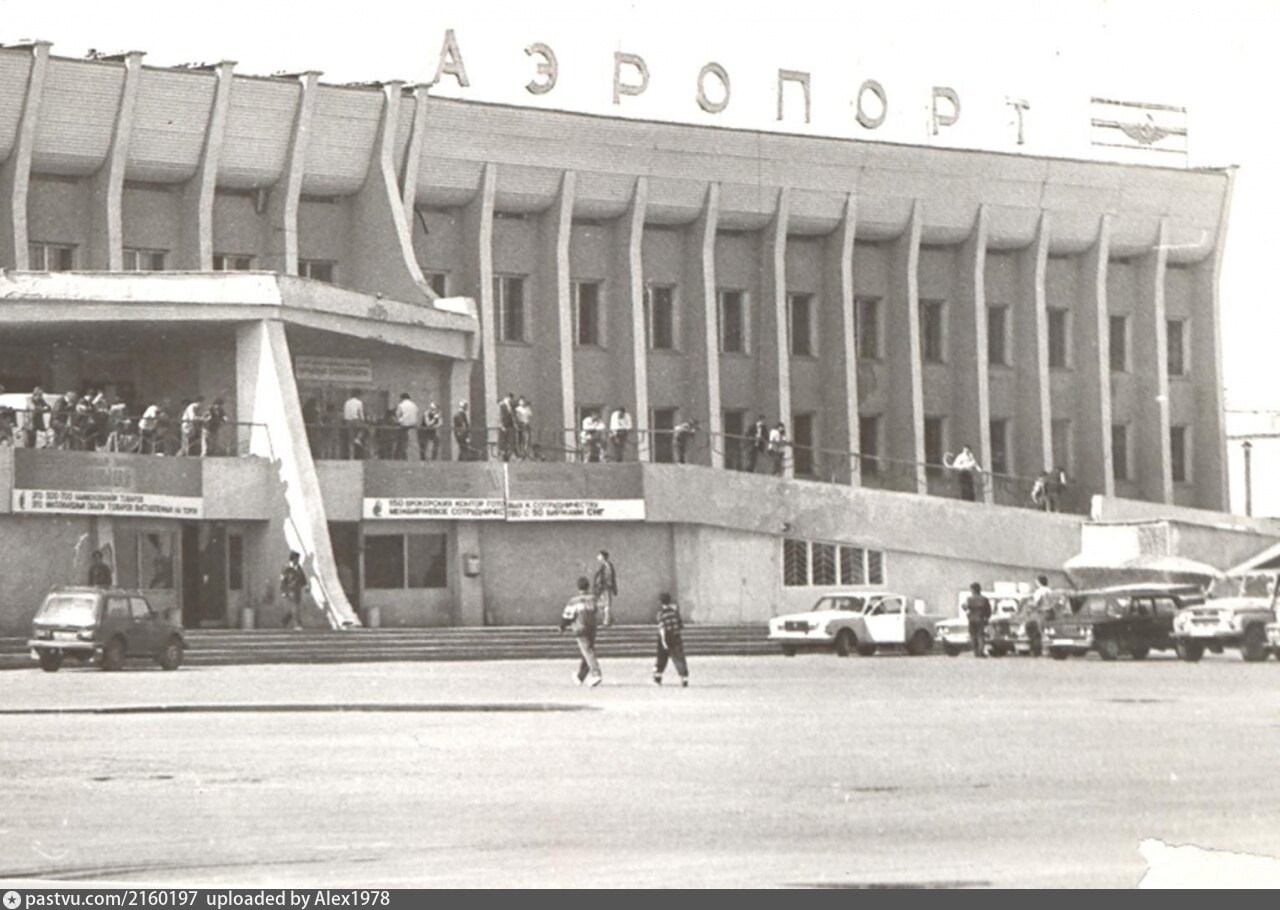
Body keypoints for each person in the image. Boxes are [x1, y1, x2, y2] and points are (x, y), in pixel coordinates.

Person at [558, 576, 602, 687]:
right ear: (588, 586)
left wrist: (562, 627)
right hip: (592, 628)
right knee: (587, 651)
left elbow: (567, 616)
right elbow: (599, 608)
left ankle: (596, 674)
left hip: (580, 629)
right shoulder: (593, 599)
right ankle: (580, 677)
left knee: (587, 651)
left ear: (578, 588)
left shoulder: (574, 601)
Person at [652, 592, 689, 687]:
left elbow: (662, 629)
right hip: (676, 637)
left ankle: (658, 676)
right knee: (679, 658)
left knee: (661, 658)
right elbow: (680, 626)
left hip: (666, 637)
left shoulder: (661, 614)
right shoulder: (675, 613)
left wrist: (663, 642)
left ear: (661, 602)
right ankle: (684, 677)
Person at [964, 582, 993, 658]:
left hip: (971, 619)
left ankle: (975, 652)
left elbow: (965, 608)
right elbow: (989, 611)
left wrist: (967, 613)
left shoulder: (969, 599)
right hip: (980, 619)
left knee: (973, 636)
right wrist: (987, 618)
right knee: (980, 636)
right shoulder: (984, 599)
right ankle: (981, 652)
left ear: (973, 590)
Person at [279, 551, 307, 630]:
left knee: (294, 607)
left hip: (297, 590)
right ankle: (297, 624)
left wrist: (305, 586)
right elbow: (283, 581)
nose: (298, 561)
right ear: (292, 559)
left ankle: (284, 620)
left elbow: (303, 578)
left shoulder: (299, 568)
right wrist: (283, 591)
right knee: (295, 607)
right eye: (296, 559)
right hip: (290, 590)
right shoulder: (286, 569)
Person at [592, 549, 618, 627]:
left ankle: (607, 621)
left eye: (599, 555)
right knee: (602, 604)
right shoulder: (606, 565)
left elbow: (606, 578)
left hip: (605, 588)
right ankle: (610, 619)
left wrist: (599, 585)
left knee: (605, 604)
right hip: (604, 588)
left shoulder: (605, 566)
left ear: (603, 557)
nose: (597, 557)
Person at [394, 392, 421, 460]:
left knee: (400, 441)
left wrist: (399, 420)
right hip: (413, 425)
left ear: (402, 398)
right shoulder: (414, 405)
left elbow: (397, 415)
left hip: (403, 425)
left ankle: (399, 456)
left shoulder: (401, 405)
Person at [342, 389, 366, 460]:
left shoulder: (347, 402)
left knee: (350, 440)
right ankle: (358, 438)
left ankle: (351, 456)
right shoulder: (359, 402)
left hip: (347, 421)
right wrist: (363, 421)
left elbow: (345, 413)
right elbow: (361, 413)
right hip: (355, 420)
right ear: (358, 395)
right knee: (363, 429)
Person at [497, 392, 517, 461]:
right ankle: (503, 455)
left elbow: (512, 416)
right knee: (503, 441)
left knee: (510, 441)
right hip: (504, 426)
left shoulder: (510, 406)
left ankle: (507, 455)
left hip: (510, 426)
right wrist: (501, 425)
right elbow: (500, 416)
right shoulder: (502, 405)